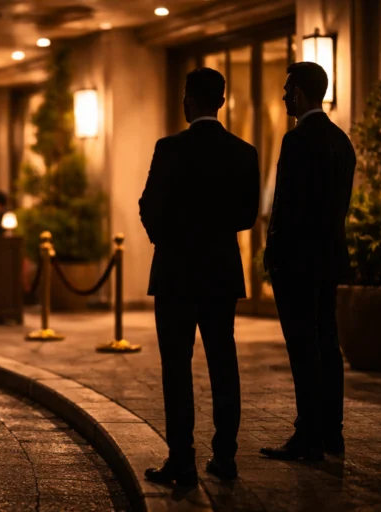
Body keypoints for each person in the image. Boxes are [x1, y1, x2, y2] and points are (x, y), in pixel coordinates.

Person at [139, 68, 260, 485]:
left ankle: (182, 458)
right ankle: (225, 456)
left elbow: (148, 205)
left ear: (188, 100)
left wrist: (167, 240)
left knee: (177, 365)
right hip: (221, 270)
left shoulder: (169, 148)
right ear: (221, 103)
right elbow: (247, 215)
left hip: (175, 271)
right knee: (223, 362)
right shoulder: (244, 152)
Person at [261, 62, 356, 461]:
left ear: (299, 93)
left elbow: (287, 206)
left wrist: (273, 254)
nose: (283, 96)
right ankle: (332, 432)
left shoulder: (297, 141)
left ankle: (307, 435)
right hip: (329, 258)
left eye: (286, 89)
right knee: (328, 345)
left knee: (302, 348)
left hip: (297, 262)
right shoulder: (342, 142)